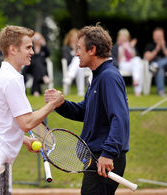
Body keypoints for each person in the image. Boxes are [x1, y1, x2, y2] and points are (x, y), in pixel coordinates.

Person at [0, 25, 64, 192]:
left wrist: (24, 140)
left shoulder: (7, 76)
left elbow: (3, 121)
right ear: (13, 49)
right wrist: (53, 104)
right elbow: (26, 123)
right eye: (28, 47)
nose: (32, 51)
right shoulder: (10, 79)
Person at [45, 24, 129, 195]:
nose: (76, 54)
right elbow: (85, 112)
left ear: (92, 50)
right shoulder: (99, 76)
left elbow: (119, 119)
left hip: (104, 158)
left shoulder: (108, 77)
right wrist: (60, 103)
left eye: (79, 49)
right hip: (97, 158)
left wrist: (108, 154)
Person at [143, 27, 167, 97]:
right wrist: (157, 49)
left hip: (166, 67)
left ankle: (156, 65)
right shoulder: (149, 46)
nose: (158, 38)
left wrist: (163, 48)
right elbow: (147, 58)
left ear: (163, 36)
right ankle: (161, 91)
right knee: (160, 68)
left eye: (160, 36)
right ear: (153, 36)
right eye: (157, 36)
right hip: (156, 68)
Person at [112, 28, 143, 96]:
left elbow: (136, 56)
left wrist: (131, 48)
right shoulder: (115, 47)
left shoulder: (131, 46)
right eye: (122, 36)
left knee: (137, 61)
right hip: (121, 65)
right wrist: (123, 48)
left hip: (131, 64)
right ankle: (137, 86)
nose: (123, 38)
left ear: (128, 37)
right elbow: (117, 60)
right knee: (137, 68)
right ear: (119, 37)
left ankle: (136, 84)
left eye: (125, 36)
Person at [62, 28, 91, 96]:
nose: (75, 38)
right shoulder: (66, 48)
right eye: (73, 37)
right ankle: (80, 92)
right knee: (77, 62)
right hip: (71, 67)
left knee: (77, 60)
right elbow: (67, 59)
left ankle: (69, 77)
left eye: (76, 37)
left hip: (84, 66)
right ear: (70, 38)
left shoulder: (82, 47)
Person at [21, 32, 50, 97]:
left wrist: (44, 44)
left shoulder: (43, 48)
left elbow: (48, 54)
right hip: (29, 67)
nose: (37, 39)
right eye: (36, 38)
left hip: (37, 70)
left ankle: (35, 91)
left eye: (38, 38)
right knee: (36, 62)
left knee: (37, 69)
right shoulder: (31, 46)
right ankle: (44, 76)